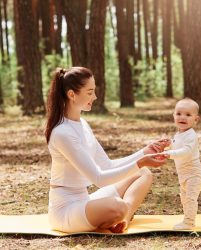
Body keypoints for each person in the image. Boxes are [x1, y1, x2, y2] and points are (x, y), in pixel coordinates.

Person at [45, 66, 170, 233]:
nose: (95, 97)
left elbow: (106, 165)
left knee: (143, 173)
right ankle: (120, 213)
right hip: (65, 212)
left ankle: (124, 218)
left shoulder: (82, 124)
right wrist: (139, 162)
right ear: (72, 95)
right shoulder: (62, 133)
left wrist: (145, 153)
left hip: (85, 201)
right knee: (117, 206)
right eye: (89, 92)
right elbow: (99, 178)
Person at [162, 98, 201, 230]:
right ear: (174, 116)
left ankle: (189, 222)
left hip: (194, 175)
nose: (182, 117)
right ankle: (186, 219)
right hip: (184, 176)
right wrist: (168, 144)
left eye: (188, 115)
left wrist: (170, 154)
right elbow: (176, 144)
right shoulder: (179, 133)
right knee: (184, 199)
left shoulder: (191, 135)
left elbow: (186, 151)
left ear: (195, 120)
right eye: (179, 113)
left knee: (191, 199)